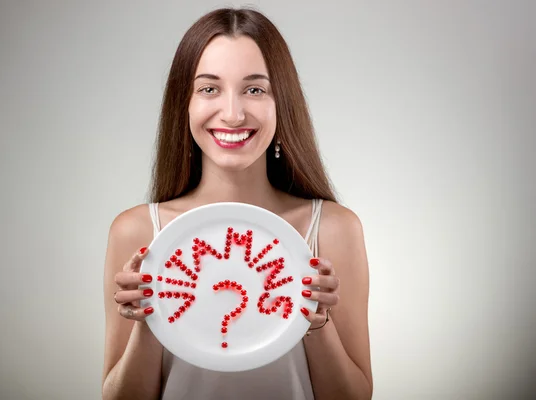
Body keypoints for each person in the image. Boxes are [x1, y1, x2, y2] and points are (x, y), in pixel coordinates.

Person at [102, 7, 372, 400]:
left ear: (283, 104)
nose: (232, 114)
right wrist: (147, 320)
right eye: (209, 88)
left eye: (255, 89)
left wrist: (316, 322)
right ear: (185, 105)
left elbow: (354, 396)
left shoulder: (332, 229)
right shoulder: (137, 232)